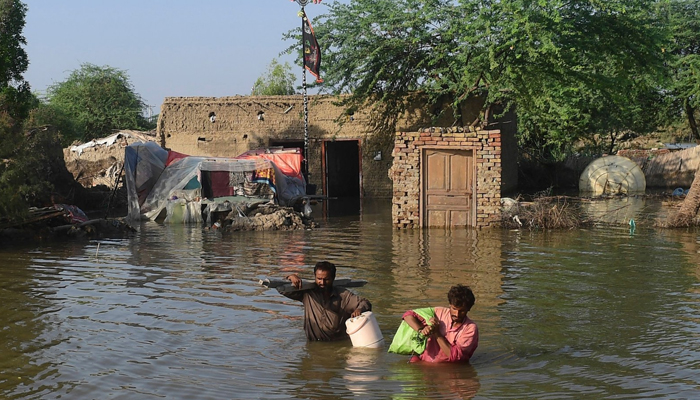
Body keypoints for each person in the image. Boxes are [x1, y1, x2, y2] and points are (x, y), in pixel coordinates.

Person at [283, 261, 372, 341]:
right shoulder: (307, 294)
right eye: (319, 279)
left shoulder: (343, 295)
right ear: (315, 277)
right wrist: (290, 278)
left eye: (326, 279)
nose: (322, 283)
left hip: (336, 345)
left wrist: (359, 310)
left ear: (333, 278)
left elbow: (365, 303)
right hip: (312, 344)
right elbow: (283, 290)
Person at [402, 285, 478, 363]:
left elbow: (455, 357)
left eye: (462, 311)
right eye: (454, 309)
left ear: (468, 309)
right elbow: (408, 315)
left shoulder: (470, 328)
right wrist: (421, 330)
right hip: (423, 361)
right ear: (449, 305)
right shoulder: (438, 312)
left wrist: (437, 333)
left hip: (449, 369)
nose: (457, 314)